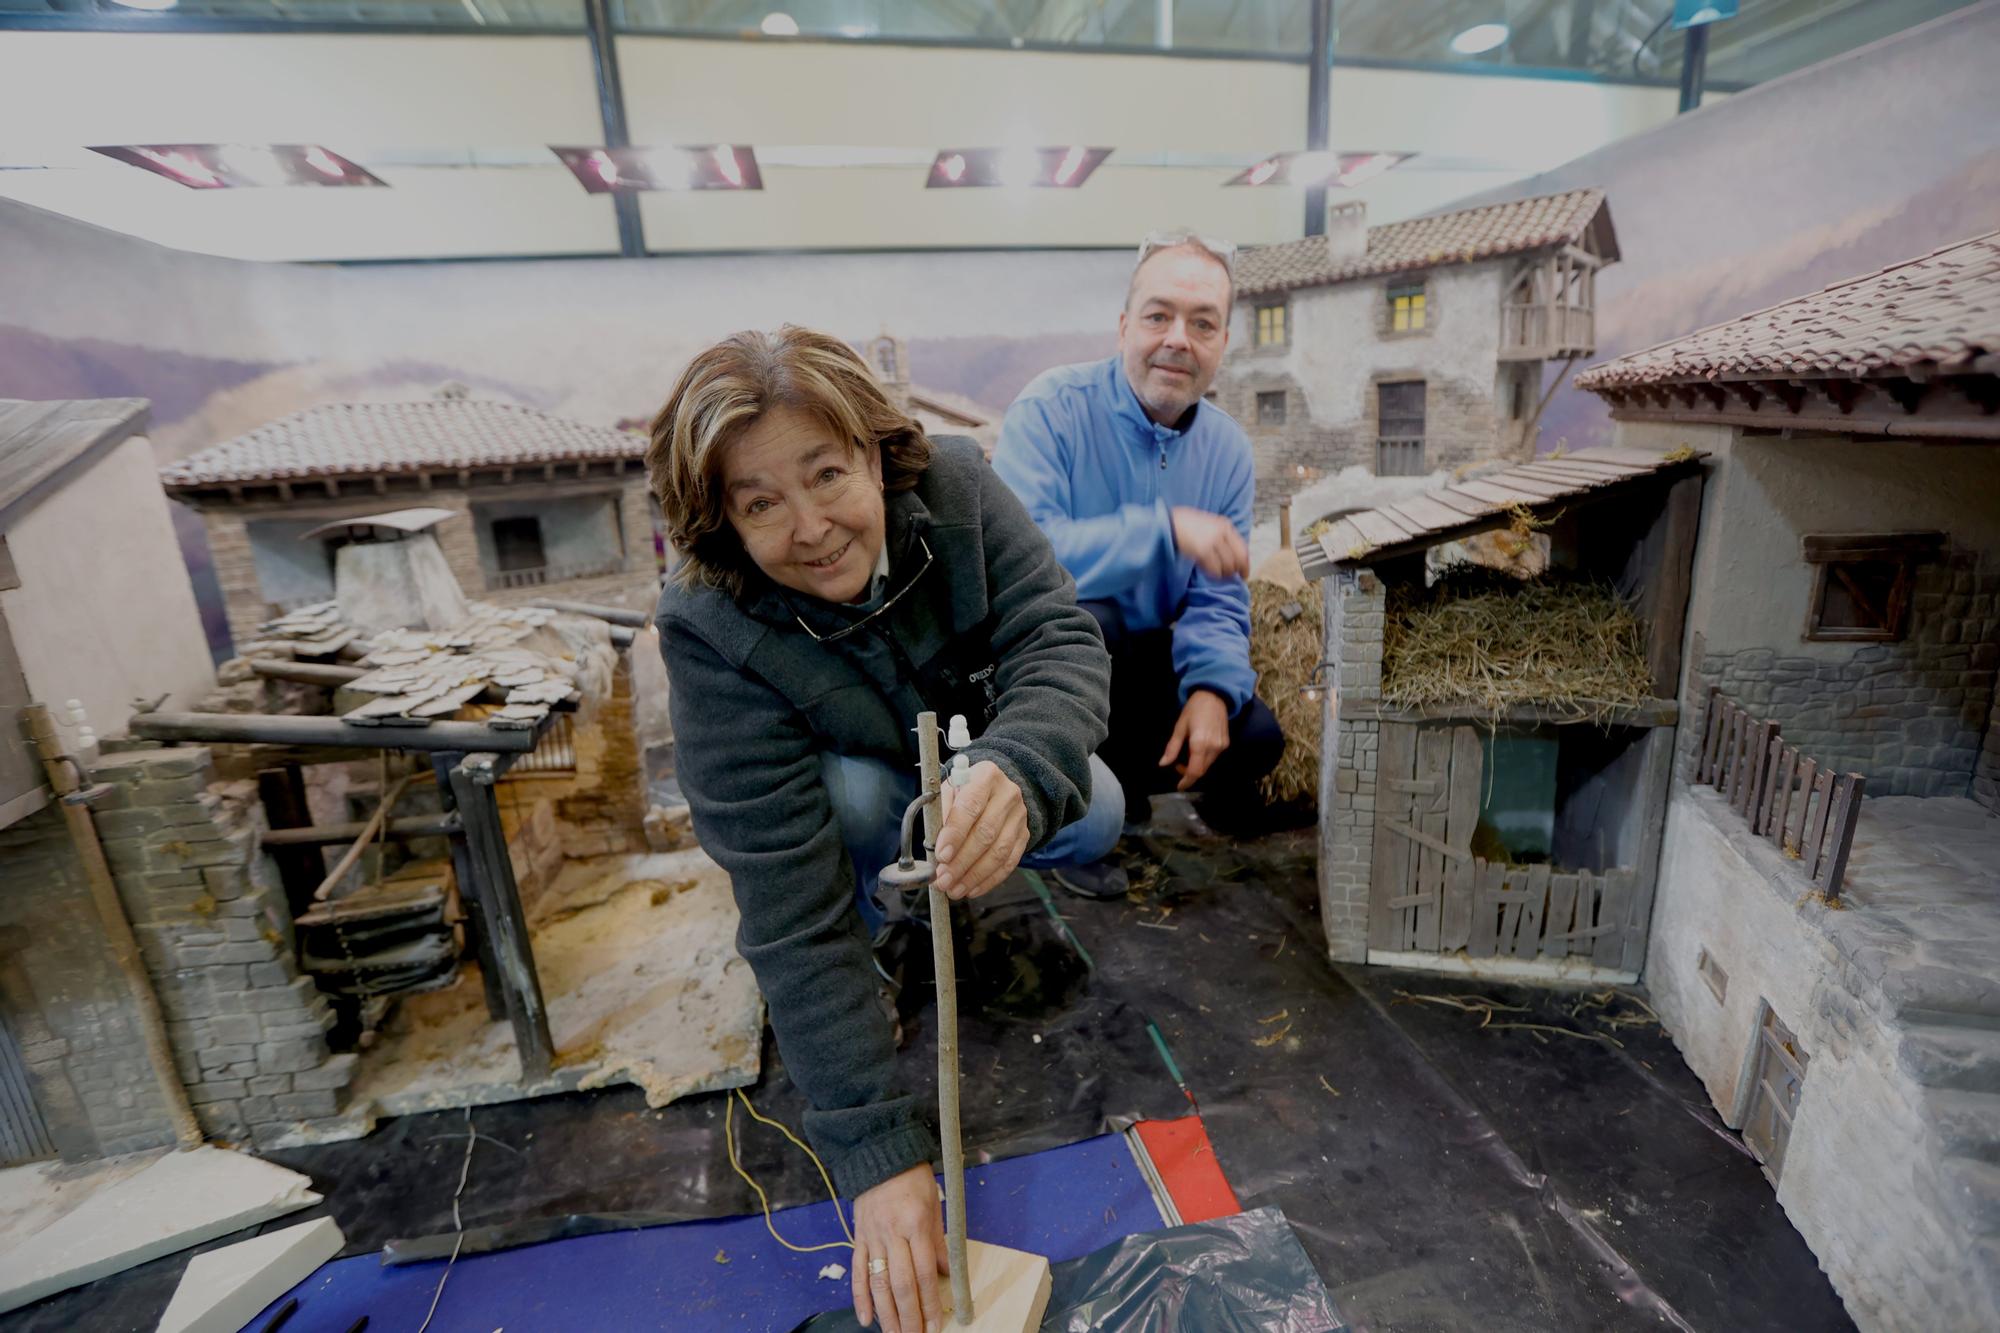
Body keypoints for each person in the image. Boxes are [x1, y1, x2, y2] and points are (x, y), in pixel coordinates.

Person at [648, 326, 1121, 1333]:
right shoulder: (707, 625)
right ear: (722, 521)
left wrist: (1017, 770)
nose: (809, 525)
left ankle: (962, 859)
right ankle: (886, 923)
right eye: (759, 502)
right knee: (862, 811)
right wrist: (876, 1154)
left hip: (965, 749)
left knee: (1095, 802)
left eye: (826, 474)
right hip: (853, 790)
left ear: (876, 453)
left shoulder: (957, 486)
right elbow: (784, 911)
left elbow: (1054, 634)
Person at [992, 228, 1283, 896]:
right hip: (1046, 668)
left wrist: (1212, 686)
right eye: (1159, 316)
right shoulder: (1050, 411)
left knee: (1257, 737)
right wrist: (1164, 530)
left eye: (1202, 323)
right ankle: (1080, 813)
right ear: (1126, 326)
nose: (1178, 338)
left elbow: (1219, 595)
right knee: (1093, 621)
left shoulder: (1228, 452)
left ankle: (1134, 793)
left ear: (1222, 345)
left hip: (1149, 656)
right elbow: (1020, 566)